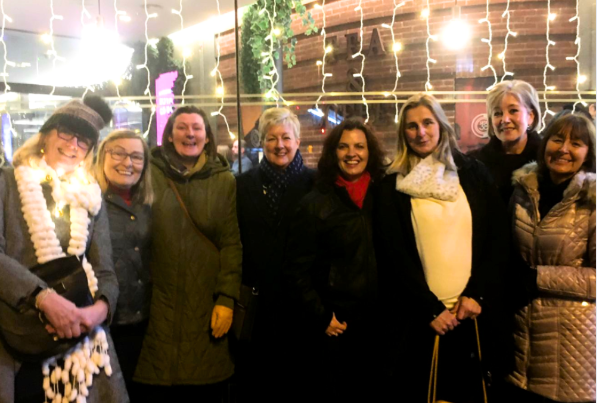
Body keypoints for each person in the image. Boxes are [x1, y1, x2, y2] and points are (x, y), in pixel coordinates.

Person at [374, 93, 508, 403]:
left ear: (441, 125)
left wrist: (478, 295)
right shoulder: (391, 185)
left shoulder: (473, 174)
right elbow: (393, 254)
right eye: (411, 126)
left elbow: (497, 240)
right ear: (402, 133)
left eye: (427, 123)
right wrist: (429, 308)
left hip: (471, 315)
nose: (420, 132)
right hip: (420, 319)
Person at [0, 96, 128, 403]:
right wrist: (43, 298)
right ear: (45, 135)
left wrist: (99, 310)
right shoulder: (8, 181)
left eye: (83, 141)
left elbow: (105, 270)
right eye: (66, 133)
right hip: (18, 335)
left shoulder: (89, 196)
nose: (73, 144)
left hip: (82, 342)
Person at [134, 106, 241, 401]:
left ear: (207, 138)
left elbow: (231, 243)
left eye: (197, 128)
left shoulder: (224, 181)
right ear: (169, 135)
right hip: (156, 305)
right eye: (182, 127)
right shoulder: (148, 174)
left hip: (205, 304)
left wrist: (227, 298)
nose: (189, 134)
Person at [284, 118, 386, 401]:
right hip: (336, 324)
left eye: (359, 146)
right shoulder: (315, 203)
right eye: (343, 147)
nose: (352, 153)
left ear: (370, 152)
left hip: (378, 323)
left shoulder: (384, 196)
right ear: (333, 153)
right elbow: (295, 271)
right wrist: (321, 316)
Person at [506, 112, 596, 403]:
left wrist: (536, 277)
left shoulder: (592, 200)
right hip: (521, 343)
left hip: (573, 348)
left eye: (576, 143)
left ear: (589, 153)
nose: (563, 149)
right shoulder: (523, 191)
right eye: (557, 139)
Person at [234, 107, 315, 402]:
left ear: (297, 140)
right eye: (271, 138)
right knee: (257, 385)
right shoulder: (243, 185)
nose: (279, 145)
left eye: (286, 137)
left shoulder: (315, 184)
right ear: (261, 141)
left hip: (302, 306)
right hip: (257, 306)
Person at [95, 130, 153, 401]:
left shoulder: (147, 203)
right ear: (102, 155)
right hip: (102, 320)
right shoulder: (87, 200)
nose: (127, 162)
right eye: (118, 153)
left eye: (136, 156)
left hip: (142, 319)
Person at [469, 79, 542, 203]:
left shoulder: (547, 161)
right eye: (498, 113)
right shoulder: (474, 164)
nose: (505, 119)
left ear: (530, 116)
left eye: (513, 111)